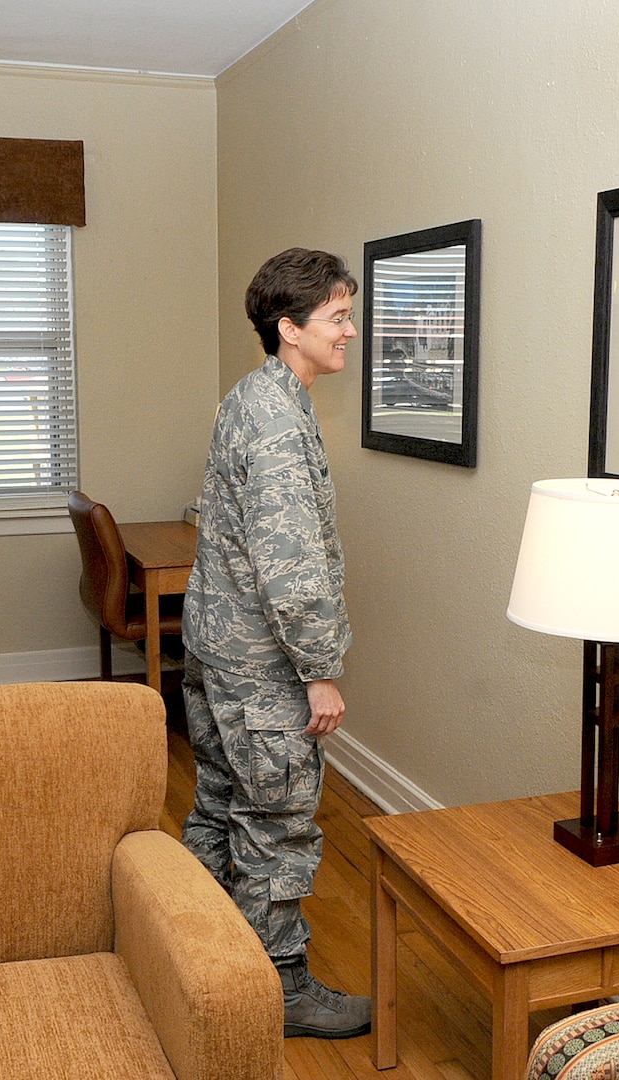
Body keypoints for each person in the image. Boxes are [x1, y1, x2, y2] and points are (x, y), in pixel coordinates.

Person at [180, 248, 369, 1039]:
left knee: (220, 806)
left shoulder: (252, 397)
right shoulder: (281, 426)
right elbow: (290, 573)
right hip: (263, 670)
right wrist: (318, 674)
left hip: (217, 648)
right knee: (277, 824)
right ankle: (279, 989)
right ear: (289, 329)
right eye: (337, 317)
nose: (350, 332)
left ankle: (192, 949)